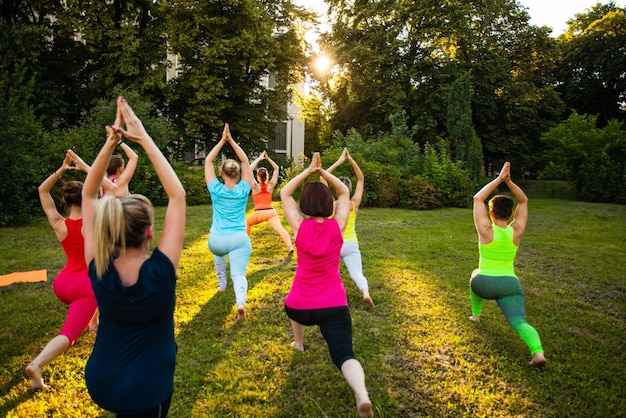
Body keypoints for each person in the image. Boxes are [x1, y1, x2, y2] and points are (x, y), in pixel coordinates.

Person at [82, 96, 186, 416]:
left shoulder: (99, 266)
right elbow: (177, 195)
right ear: (150, 233)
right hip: (146, 390)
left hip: (103, 380)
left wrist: (111, 143)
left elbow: (88, 193)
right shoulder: (160, 275)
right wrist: (141, 136)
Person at [280, 152, 373, 418]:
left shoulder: (299, 226)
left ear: (305, 204)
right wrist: (324, 173)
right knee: (344, 354)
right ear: (329, 204)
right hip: (333, 306)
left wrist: (310, 171)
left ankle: (299, 342)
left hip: (298, 306)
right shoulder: (338, 226)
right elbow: (344, 192)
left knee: (292, 305)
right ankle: (362, 394)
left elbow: (285, 193)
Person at [25, 150, 104, 390]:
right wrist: (84, 166)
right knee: (68, 335)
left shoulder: (60, 224)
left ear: (66, 201)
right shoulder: (92, 220)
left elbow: (42, 190)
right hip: (85, 287)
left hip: (63, 284)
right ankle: (37, 364)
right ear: (86, 197)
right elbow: (106, 188)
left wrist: (61, 170)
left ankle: (94, 322)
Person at [469, 161, 546, 367]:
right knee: (519, 322)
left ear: (491, 213)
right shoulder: (516, 230)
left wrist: (499, 179)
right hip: (509, 285)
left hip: (482, 284)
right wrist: (509, 182)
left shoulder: (486, 229)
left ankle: (476, 315)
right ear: (511, 214)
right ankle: (537, 352)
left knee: (475, 272)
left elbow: (478, 198)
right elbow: (524, 200)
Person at [205, 124, 254, 322]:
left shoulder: (216, 189)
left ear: (222, 172)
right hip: (239, 239)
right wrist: (232, 141)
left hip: (217, 240)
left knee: (219, 254)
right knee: (239, 273)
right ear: (237, 173)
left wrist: (222, 140)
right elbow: (245, 160)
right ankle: (240, 303)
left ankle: (222, 284)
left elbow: (208, 160)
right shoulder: (244, 189)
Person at [323, 148, 374, 307]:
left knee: (328, 273)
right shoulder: (354, 203)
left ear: (337, 188)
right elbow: (361, 179)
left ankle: (330, 298)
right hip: (351, 244)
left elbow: (322, 178)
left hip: (334, 244)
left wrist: (339, 162)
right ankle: (365, 292)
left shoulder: (332, 204)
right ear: (349, 189)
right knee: (357, 273)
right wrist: (351, 160)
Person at [246, 150, 293, 253]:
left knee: (247, 223)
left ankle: (246, 244)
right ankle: (290, 246)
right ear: (267, 175)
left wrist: (259, 158)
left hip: (259, 213)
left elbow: (249, 169)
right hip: (271, 212)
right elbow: (276, 168)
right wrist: (268, 158)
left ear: (258, 176)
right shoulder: (270, 186)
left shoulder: (255, 187)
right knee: (281, 230)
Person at [101, 104, 138, 198]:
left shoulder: (102, 182)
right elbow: (134, 157)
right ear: (120, 169)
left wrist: (110, 142)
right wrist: (118, 142)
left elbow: (103, 161)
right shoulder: (121, 181)